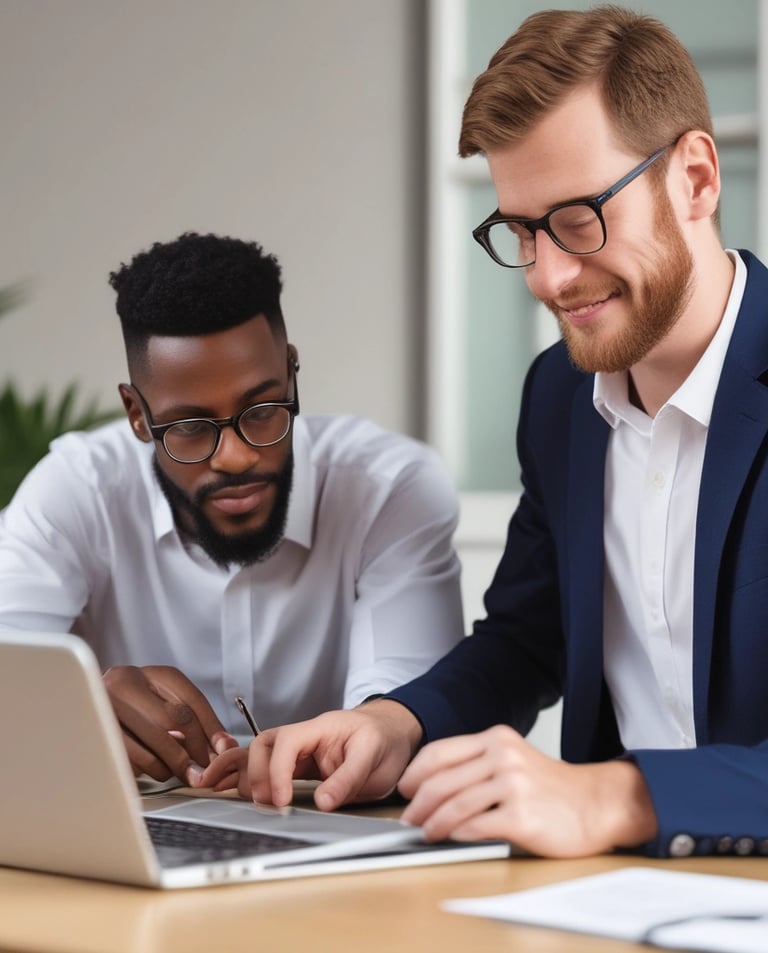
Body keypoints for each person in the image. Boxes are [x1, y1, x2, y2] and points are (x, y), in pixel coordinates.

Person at [202, 4, 768, 859]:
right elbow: (527, 638)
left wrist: (620, 795)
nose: (549, 277)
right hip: (613, 900)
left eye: (579, 220)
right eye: (521, 232)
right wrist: (393, 721)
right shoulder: (558, 399)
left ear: (693, 178)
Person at [0, 231, 465, 787]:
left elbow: (407, 695)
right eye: (192, 427)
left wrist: (368, 734)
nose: (238, 456)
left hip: (330, 822)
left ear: (292, 372)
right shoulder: (77, 490)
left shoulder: (389, 488)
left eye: (263, 409)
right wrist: (74, 706)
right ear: (137, 415)